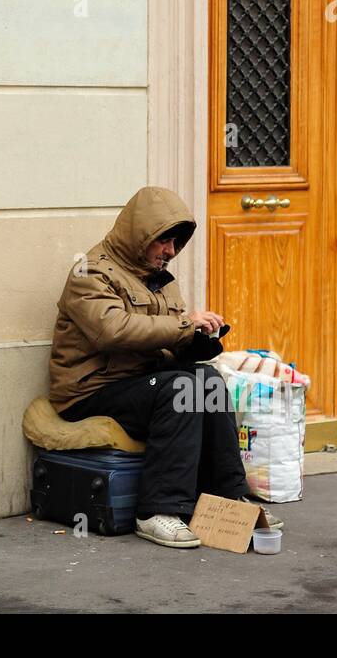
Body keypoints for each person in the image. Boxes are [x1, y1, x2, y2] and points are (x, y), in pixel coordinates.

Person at [48, 185, 284, 548]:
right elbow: (112, 331)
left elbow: (164, 342)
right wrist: (185, 325)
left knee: (206, 379)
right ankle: (157, 510)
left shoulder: (159, 279)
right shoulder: (90, 273)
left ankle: (228, 498)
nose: (170, 252)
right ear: (139, 234)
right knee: (178, 390)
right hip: (91, 389)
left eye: (176, 244)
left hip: (139, 382)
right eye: (164, 242)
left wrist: (197, 342)